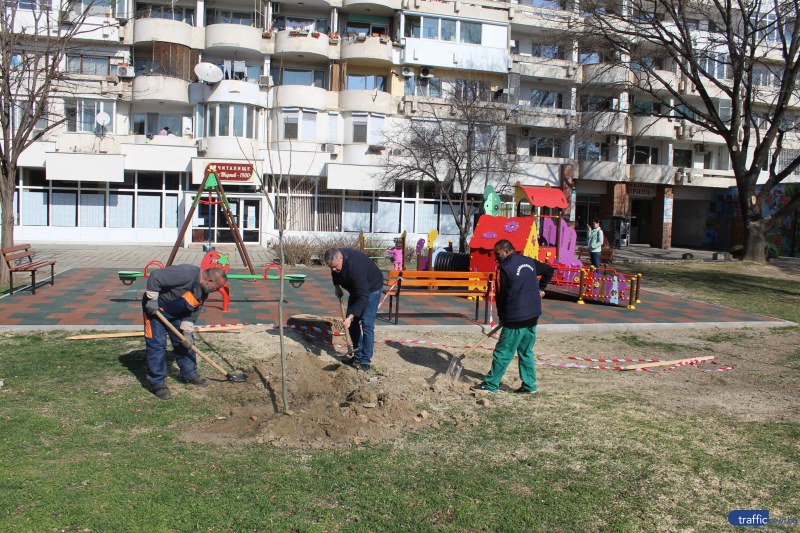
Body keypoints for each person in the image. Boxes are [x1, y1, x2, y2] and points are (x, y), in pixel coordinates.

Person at [471, 239, 554, 394]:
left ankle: (490, 385)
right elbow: (549, 270)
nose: (495, 256)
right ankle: (530, 386)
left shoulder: (503, 269)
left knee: (503, 352)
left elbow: (501, 296)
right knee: (526, 351)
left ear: (506, 251)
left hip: (516, 317)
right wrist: (541, 288)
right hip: (533, 314)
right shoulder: (529, 261)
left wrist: (502, 317)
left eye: (497, 253)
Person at [142, 265, 228, 400]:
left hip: (178, 314)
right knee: (157, 345)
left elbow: (193, 312)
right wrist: (152, 300)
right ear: (209, 281)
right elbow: (155, 276)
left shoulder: (203, 291)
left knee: (185, 342)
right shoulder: (186, 273)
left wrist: (187, 331)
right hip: (156, 310)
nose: (216, 291)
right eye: (216, 288)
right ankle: (158, 384)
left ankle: (190, 374)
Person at [323, 247, 384, 371]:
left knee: (367, 323)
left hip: (371, 289)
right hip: (356, 289)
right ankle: (357, 354)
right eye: (331, 268)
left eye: (335, 266)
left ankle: (365, 361)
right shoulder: (336, 259)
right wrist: (336, 286)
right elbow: (334, 272)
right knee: (352, 324)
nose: (334, 270)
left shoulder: (355, 268)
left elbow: (363, 296)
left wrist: (351, 316)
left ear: (341, 258)